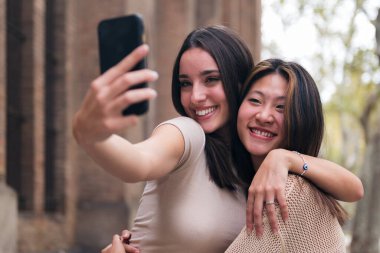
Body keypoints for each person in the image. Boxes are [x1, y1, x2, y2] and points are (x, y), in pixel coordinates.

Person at [73, 26, 362, 253]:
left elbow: (353, 189)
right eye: (185, 83)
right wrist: (94, 135)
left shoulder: (265, 178)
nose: (196, 97)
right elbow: (137, 162)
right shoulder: (188, 134)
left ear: (239, 85)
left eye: (211, 79)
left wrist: (284, 157)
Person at [225, 59, 348, 252]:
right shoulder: (244, 182)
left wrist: (285, 157)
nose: (264, 116)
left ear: (302, 120)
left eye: (281, 107)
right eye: (255, 100)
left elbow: (356, 189)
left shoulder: (290, 192)